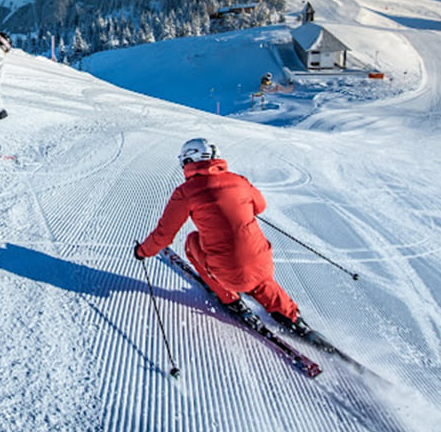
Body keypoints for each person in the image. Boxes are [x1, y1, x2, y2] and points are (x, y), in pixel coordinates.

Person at [134, 137, 314, 337]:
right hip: (264, 264)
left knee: (192, 241)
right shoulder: (239, 180)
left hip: (228, 273)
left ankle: (231, 300)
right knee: (256, 270)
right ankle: (291, 315)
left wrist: (142, 252)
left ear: (189, 161)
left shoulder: (185, 192)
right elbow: (260, 207)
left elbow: (164, 234)